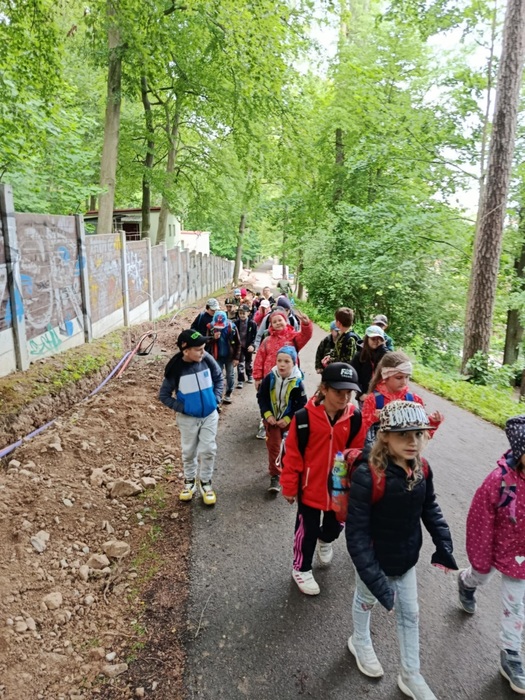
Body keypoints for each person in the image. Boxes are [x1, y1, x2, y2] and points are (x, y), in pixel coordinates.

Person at [346, 400, 457, 700]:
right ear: (385, 436)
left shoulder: (422, 468)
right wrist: (374, 577)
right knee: (366, 600)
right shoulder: (368, 475)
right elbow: (356, 534)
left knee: (410, 613)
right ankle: (359, 641)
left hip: (406, 559)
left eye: (418, 434)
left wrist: (443, 540)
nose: (413, 442)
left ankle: (411, 674)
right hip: (373, 559)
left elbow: (429, 506)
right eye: (403, 435)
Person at [280, 363, 365, 595]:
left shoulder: (355, 418)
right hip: (310, 486)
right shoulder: (304, 418)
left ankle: (325, 539)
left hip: (339, 487)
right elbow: (293, 455)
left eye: (349, 393)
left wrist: (358, 483)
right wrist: (289, 486)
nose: (344, 398)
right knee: (306, 530)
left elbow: (357, 454)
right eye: (339, 392)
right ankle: (301, 568)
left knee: (335, 525)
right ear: (324, 389)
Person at [458, 415, 525, 695]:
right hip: (494, 545)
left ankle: (511, 653)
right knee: (480, 576)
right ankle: (466, 582)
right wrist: (481, 558)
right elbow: (480, 520)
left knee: (515, 604)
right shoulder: (499, 481)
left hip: (521, 556)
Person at [159, 330, 223, 506]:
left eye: (204, 348)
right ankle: (189, 481)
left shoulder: (207, 360)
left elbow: (218, 378)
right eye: (199, 349)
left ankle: (206, 482)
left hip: (209, 415)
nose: (203, 352)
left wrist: (216, 399)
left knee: (208, 449)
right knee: (189, 451)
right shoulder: (175, 369)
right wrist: (184, 408)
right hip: (188, 419)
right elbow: (164, 396)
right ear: (186, 351)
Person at [257, 346, 307, 493]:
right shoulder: (270, 378)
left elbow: (302, 404)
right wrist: (267, 414)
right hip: (271, 420)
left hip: (288, 422)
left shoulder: (298, 382)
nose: (282, 365)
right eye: (279, 361)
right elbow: (262, 397)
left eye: (286, 361)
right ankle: (275, 475)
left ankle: (287, 470)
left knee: (287, 448)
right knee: (274, 447)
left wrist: (288, 418)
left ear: (294, 363)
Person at [361, 351, 444, 440]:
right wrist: (374, 418)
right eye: (399, 377)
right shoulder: (373, 399)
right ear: (385, 376)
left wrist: (433, 422)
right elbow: (362, 433)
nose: (404, 382)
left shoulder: (414, 400)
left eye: (407, 377)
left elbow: (422, 437)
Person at [253, 308, 313, 390]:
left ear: (285, 321)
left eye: (280, 320)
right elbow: (259, 359)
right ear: (271, 325)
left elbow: (305, 336)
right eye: (274, 322)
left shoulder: (293, 337)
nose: (277, 323)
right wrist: (257, 378)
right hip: (270, 378)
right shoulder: (267, 340)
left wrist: (306, 325)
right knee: (269, 397)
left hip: (289, 378)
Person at [206, 310, 240, 404]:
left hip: (229, 356)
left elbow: (238, 343)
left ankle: (228, 393)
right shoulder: (210, 327)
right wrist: (213, 338)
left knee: (230, 375)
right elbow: (206, 342)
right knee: (217, 376)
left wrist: (236, 358)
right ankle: (218, 396)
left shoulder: (232, 327)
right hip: (217, 357)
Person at [350, 325, 389, 400]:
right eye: (373, 338)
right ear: (367, 339)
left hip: (381, 394)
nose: (376, 341)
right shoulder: (359, 356)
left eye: (379, 339)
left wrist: (382, 348)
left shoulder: (383, 353)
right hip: (365, 395)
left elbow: (391, 363)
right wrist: (360, 394)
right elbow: (352, 375)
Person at [234, 304, 257, 387]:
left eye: (244, 313)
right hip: (240, 346)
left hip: (248, 346)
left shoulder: (252, 323)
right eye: (240, 313)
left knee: (248, 362)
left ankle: (249, 375)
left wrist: (253, 345)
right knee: (240, 363)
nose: (242, 315)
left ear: (248, 313)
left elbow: (255, 336)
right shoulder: (236, 323)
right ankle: (240, 380)